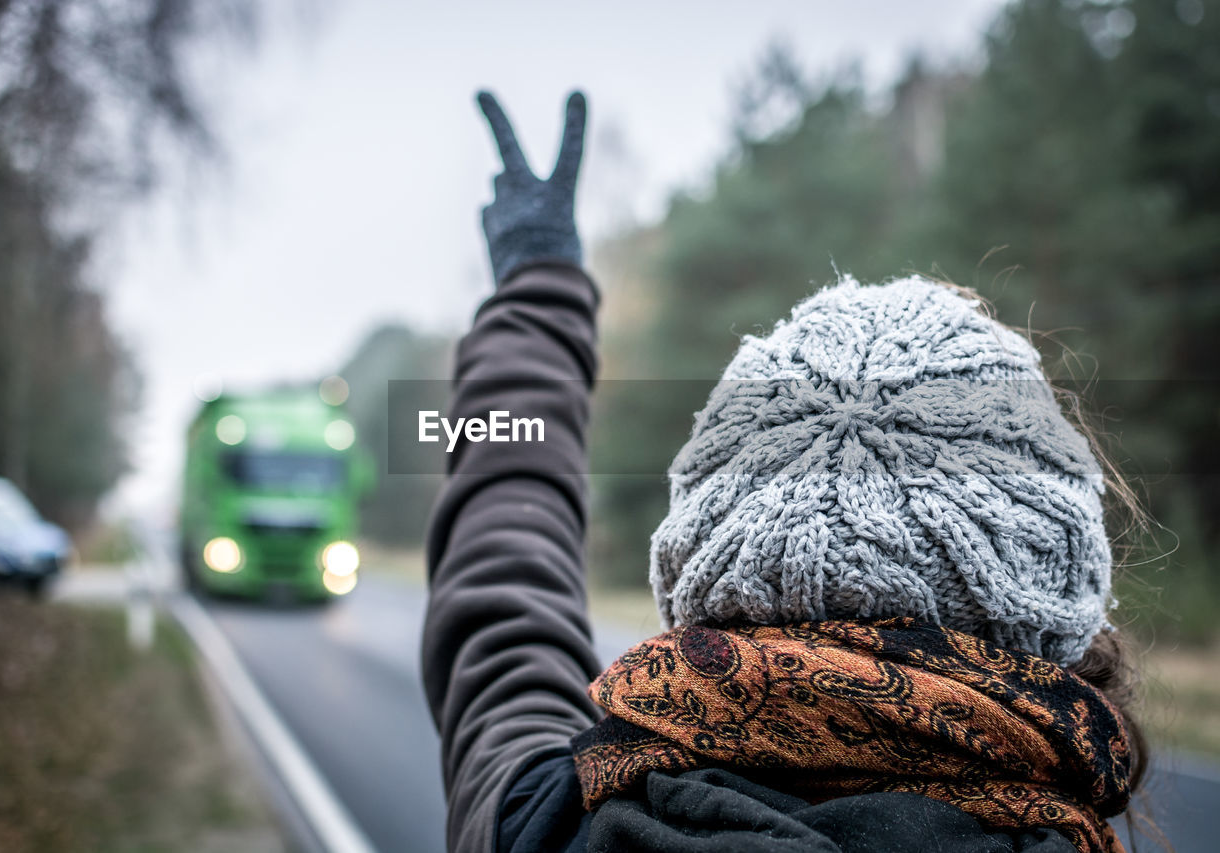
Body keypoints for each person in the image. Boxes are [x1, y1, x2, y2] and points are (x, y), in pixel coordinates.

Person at [422, 90, 1144, 853]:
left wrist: (535, 289)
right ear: (1064, 608)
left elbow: (503, 596)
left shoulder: (554, 825)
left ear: (703, 568)